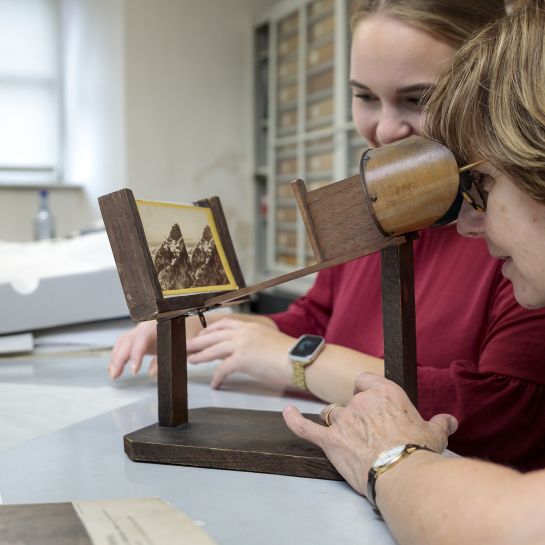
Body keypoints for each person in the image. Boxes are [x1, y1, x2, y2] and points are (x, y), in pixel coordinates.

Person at [109, 0, 545, 470]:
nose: (383, 129)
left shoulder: (520, 239)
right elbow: (315, 315)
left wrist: (301, 361)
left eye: (418, 100)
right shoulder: (371, 204)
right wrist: (204, 328)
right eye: (364, 97)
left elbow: (509, 412)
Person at [284, 2, 545, 542]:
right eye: (363, 96)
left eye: (484, 184)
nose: (471, 225)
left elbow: (518, 514)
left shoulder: (518, 269)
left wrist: (390, 457)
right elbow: (308, 315)